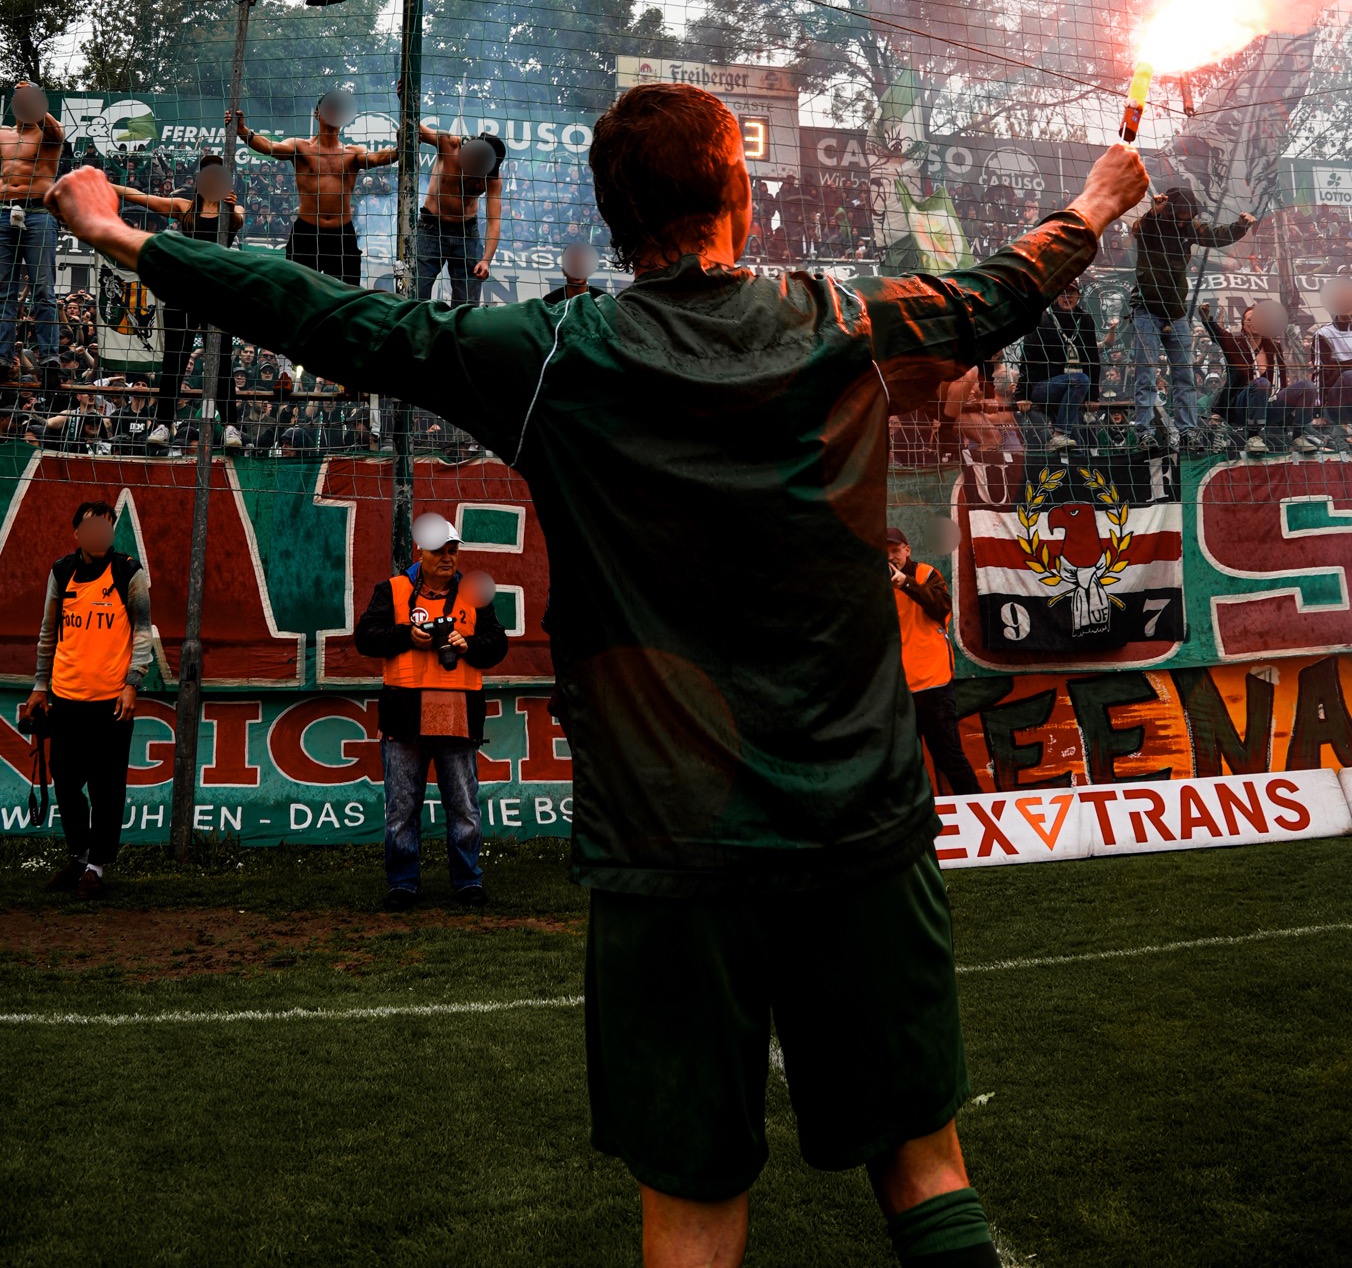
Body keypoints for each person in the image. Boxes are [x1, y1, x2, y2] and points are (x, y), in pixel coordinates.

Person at [46, 85, 1147, 1268]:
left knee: (689, 1207)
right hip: (858, 826)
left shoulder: (555, 354)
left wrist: (126, 237)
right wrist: (1092, 200)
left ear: (613, 218)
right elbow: (995, 291)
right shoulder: (842, 320)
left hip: (669, 847)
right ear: (736, 190)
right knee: (924, 1165)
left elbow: (339, 320)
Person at [353, 511, 508, 909]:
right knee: (402, 807)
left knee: (464, 806)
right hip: (405, 716)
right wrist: (408, 636)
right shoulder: (392, 590)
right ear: (421, 550)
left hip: (457, 714)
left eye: (453, 550)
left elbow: (497, 646)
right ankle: (403, 884)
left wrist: (467, 645)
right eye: (439, 550)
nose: (448, 557)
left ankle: (468, 882)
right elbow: (366, 638)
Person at [22, 501, 152, 900]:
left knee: (107, 788)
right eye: (93, 528)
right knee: (64, 783)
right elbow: (48, 632)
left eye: (107, 528)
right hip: (65, 698)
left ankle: (96, 866)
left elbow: (144, 632)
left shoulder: (128, 571)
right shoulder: (62, 571)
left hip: (111, 702)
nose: (101, 535)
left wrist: (133, 683)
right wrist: (40, 686)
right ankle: (78, 855)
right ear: (77, 533)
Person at [108, 158, 246, 452]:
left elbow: (237, 222)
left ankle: (231, 425)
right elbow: (144, 198)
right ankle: (164, 422)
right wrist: (109, 186)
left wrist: (230, 207)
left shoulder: (233, 209)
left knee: (221, 360)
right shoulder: (186, 208)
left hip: (217, 293)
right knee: (174, 360)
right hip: (183, 290)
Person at [1130, 185, 1254, 448]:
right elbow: (1138, 229)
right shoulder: (1152, 226)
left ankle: (1187, 431)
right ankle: (1144, 431)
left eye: (1189, 213)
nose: (1185, 218)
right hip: (1146, 308)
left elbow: (1216, 234)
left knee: (1185, 375)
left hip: (1176, 312)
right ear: (1171, 209)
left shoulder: (1190, 229)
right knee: (1146, 374)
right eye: (1181, 213)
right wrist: (1155, 211)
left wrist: (1240, 227)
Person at [233, 90, 397, 284]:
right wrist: (244, 132)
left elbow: (378, 157)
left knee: (345, 293)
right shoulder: (300, 147)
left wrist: (402, 147)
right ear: (317, 114)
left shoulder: (353, 153)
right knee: (298, 290)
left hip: (341, 234)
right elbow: (270, 147)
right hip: (306, 233)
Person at [888, 530, 978, 796]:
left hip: (934, 685)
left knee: (949, 758)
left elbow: (941, 607)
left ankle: (979, 812)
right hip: (898, 690)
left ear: (907, 550)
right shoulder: (874, 584)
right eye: (885, 551)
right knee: (904, 764)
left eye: (895, 550)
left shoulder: (926, 574)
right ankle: (917, 820)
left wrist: (905, 583)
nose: (891, 556)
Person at [0, 83, 66, 390]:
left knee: (43, 289)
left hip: (39, 213)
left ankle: (50, 358)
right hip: (2, 213)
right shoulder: (2, 133)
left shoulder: (47, 134)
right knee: (3, 292)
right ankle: (1, 358)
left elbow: (59, 134)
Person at [1198, 298, 1320, 455]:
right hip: (1243, 407)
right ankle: (1253, 438)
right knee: (1262, 383)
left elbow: (1281, 382)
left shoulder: (1274, 348)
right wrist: (1207, 319)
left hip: (1270, 405)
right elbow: (1219, 335)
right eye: (1250, 320)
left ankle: (1298, 437)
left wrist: (1286, 418)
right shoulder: (1236, 344)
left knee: (1307, 386)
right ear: (1244, 325)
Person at [415, 122, 506, 305]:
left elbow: (494, 220)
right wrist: (406, 99)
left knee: (467, 303)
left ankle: (458, 333)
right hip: (430, 227)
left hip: (466, 233)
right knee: (416, 291)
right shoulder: (449, 144)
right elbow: (415, 128)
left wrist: (486, 260)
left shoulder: (492, 179)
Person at [1015, 276, 1101, 450]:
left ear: (1079, 295)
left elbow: (1092, 359)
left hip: (1071, 391)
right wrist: (1022, 394)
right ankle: (1060, 433)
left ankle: (1063, 449)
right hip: (1043, 387)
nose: (1066, 297)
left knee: (1078, 446)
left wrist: (1093, 396)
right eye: (1062, 292)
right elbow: (1027, 357)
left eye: (1071, 292)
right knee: (1080, 380)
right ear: (1054, 295)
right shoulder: (1041, 318)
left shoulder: (1085, 320)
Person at [1311, 279, 1352, 433]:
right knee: (1349, 376)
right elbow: (1319, 373)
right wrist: (1317, 411)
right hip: (1336, 400)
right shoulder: (1324, 334)